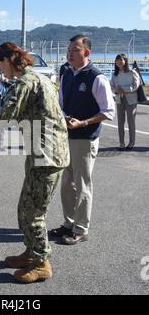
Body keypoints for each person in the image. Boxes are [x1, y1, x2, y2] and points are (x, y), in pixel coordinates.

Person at [0, 42, 70, 284]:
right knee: (25, 208)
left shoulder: (25, 81)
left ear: (9, 60)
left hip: (46, 156)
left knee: (33, 212)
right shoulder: (37, 77)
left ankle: (41, 264)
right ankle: (32, 252)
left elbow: (6, 116)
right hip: (45, 152)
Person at [50, 35, 115, 245]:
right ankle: (68, 223)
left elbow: (108, 111)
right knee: (67, 184)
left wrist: (84, 123)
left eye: (74, 50)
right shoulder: (67, 73)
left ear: (86, 52)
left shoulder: (97, 77)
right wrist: (63, 116)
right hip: (66, 136)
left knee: (82, 184)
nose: (69, 53)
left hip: (85, 138)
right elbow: (60, 103)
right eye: (68, 49)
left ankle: (81, 228)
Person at [110, 54, 140, 151]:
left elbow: (136, 85)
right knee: (120, 122)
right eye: (117, 60)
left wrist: (124, 89)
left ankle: (131, 143)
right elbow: (111, 86)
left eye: (121, 60)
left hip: (131, 100)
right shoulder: (115, 74)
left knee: (131, 122)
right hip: (119, 99)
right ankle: (121, 143)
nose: (119, 62)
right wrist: (116, 91)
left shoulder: (132, 72)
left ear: (125, 61)